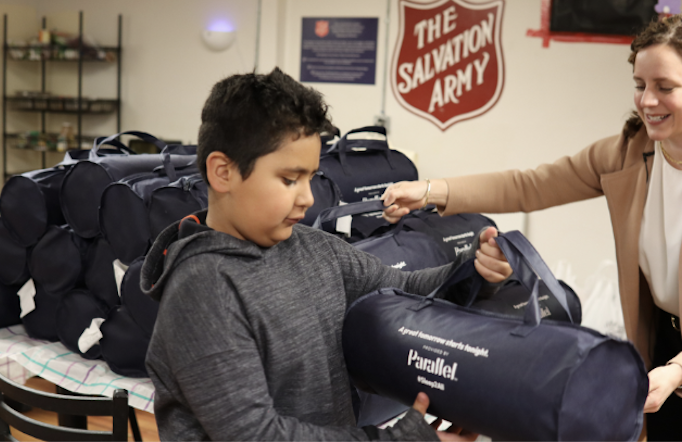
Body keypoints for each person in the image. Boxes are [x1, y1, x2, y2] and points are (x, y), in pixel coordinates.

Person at [140, 67, 512, 441]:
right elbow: (256, 435)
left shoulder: (313, 248)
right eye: (289, 179)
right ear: (223, 172)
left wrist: (475, 272)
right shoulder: (203, 289)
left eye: (311, 178)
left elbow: (405, 291)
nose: (308, 198)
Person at [381, 14, 682, 441]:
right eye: (639, 85)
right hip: (664, 351)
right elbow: (530, 185)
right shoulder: (631, 153)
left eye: (665, 87)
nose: (647, 101)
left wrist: (677, 372)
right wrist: (430, 190)